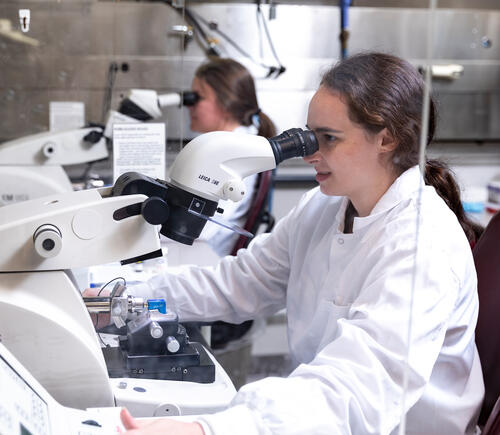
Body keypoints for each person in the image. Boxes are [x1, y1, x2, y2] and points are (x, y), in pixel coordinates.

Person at [120, 52, 484, 434]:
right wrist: (127, 296)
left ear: (386, 139)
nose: (310, 154)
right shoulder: (324, 207)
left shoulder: (423, 242)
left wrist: (204, 429)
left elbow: (355, 391)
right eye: (310, 135)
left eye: (328, 138)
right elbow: (237, 282)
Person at [188, 57, 276, 257]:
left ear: (225, 103)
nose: (188, 105)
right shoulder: (237, 143)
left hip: (206, 257)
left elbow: (203, 229)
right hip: (204, 253)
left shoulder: (232, 153)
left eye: (196, 98)